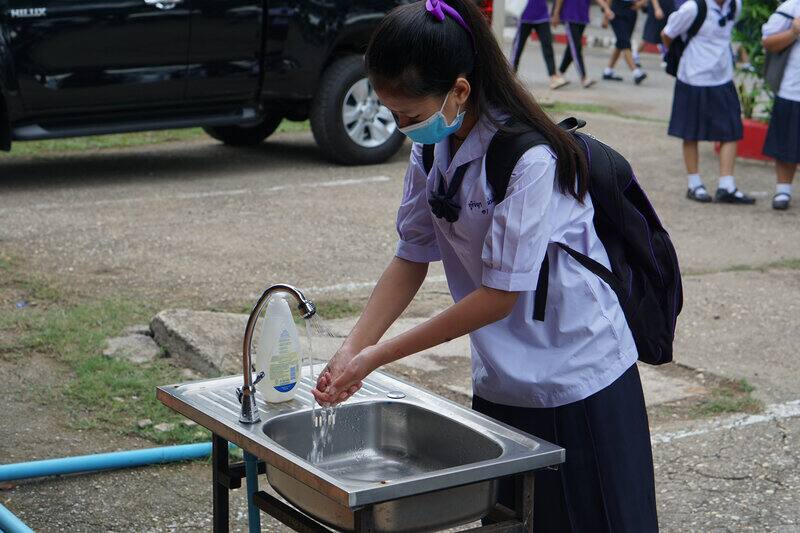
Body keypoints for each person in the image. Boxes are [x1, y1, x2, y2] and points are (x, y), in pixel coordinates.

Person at [312, 0, 659, 530]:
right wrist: (351, 346)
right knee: (510, 520)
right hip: (501, 376)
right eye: (393, 114)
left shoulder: (528, 158)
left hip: (579, 375)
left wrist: (376, 357)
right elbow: (411, 256)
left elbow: (500, 296)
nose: (401, 127)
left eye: (410, 116)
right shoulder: (431, 150)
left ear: (460, 90)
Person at [662, 0, 755, 204]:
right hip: (692, 76)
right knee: (690, 132)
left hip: (722, 77)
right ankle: (694, 184)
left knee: (731, 130)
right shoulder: (693, 8)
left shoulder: (735, 6)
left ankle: (726, 185)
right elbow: (667, 34)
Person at [762, 0, 800, 210]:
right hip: (792, 88)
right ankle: (783, 190)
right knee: (786, 140)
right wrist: (794, 32)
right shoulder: (791, 8)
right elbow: (767, 41)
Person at [552, 0, 616, 88]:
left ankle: (559, 73)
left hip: (582, 15)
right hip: (570, 14)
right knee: (576, 47)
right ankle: (583, 77)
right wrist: (556, 13)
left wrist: (606, 8)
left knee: (572, 48)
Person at [511, 0, 570, 89]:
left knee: (547, 45)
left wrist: (556, 13)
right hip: (524, 15)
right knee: (518, 47)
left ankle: (553, 77)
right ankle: (511, 75)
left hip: (542, 14)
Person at [603, 0, 649, 83]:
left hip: (631, 12)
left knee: (622, 42)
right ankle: (636, 73)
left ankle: (608, 71)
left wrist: (640, 3)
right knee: (625, 42)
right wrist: (606, 17)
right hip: (616, 12)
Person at [634, 0, 675, 66]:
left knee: (666, 32)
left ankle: (665, 57)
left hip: (668, 6)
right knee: (649, 34)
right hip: (658, 7)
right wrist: (657, 8)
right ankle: (635, 54)